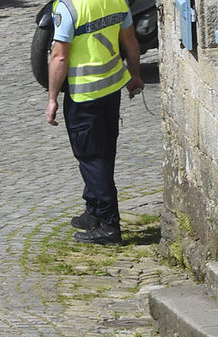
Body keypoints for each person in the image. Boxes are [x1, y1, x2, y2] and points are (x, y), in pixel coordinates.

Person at [45, 0, 144, 244]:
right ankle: (94, 212)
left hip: (84, 95)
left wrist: (52, 98)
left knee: (91, 157)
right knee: (104, 152)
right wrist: (134, 75)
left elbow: (59, 57)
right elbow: (130, 41)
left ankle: (110, 226)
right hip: (111, 88)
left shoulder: (68, 8)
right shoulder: (116, 1)